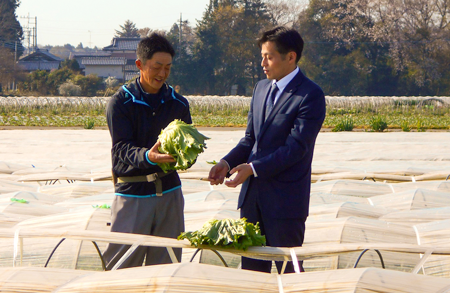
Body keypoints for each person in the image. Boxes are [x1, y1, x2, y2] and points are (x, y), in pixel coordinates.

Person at [208, 26, 326, 273]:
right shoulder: (261, 89)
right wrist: (226, 164)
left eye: (269, 56)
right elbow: (250, 139)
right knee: (251, 274)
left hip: (285, 204)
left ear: (290, 57)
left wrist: (252, 168)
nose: (262, 62)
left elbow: (296, 149)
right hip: (252, 201)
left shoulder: (309, 95)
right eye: (262, 55)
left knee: (289, 273)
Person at [103, 33, 191, 270]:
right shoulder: (121, 103)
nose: (162, 74)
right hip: (133, 194)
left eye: (168, 68)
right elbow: (121, 148)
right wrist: (147, 156)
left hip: (170, 193)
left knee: (166, 267)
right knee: (121, 267)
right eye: (157, 67)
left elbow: (187, 146)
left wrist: (186, 156)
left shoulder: (179, 104)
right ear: (140, 65)